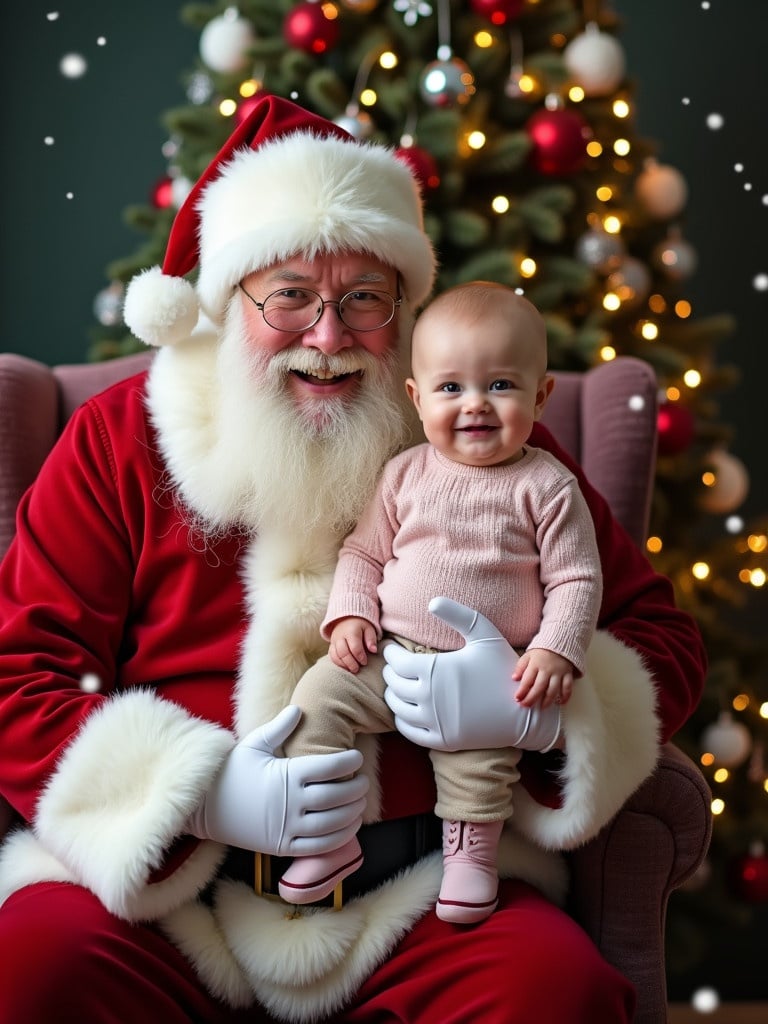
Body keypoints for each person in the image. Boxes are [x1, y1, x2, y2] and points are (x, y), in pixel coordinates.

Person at [0, 93, 705, 1024]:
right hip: (170, 901)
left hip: (426, 892)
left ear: (403, 307)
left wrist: (538, 709)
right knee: (32, 970)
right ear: (229, 298)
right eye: (289, 294)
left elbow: (659, 635)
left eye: (363, 298)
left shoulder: (480, 428)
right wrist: (202, 797)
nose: (328, 338)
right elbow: (22, 670)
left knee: (555, 996)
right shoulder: (120, 438)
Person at [278, 282, 602, 925]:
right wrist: (350, 613)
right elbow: (364, 553)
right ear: (417, 397)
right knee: (314, 702)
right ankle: (330, 834)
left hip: (488, 670)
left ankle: (471, 856)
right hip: (389, 656)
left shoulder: (547, 486)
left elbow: (577, 580)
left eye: (502, 386)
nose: (476, 405)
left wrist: (553, 648)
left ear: (540, 396)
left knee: (480, 763)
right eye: (451, 388)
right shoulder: (404, 474)